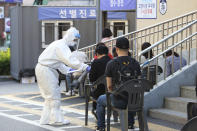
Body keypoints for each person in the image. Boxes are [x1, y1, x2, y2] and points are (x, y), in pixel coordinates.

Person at [35, 27, 90, 125]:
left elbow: (59, 63)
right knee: (54, 95)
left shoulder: (59, 44)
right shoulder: (62, 46)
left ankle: (45, 119)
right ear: (69, 37)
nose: (75, 42)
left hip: (45, 69)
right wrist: (83, 66)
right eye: (74, 40)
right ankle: (57, 119)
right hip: (46, 70)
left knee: (49, 97)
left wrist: (69, 70)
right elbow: (70, 60)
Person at [96, 37, 141, 131]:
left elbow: (109, 87)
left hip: (119, 101)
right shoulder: (136, 63)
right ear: (128, 49)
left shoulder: (111, 64)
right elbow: (138, 82)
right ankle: (130, 124)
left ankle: (101, 127)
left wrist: (114, 92)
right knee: (129, 95)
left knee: (100, 99)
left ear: (116, 49)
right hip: (136, 101)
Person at [89, 45, 111, 116]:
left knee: (95, 89)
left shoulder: (96, 62)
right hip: (112, 90)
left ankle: (95, 109)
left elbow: (91, 78)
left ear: (97, 54)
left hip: (99, 92)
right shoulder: (113, 61)